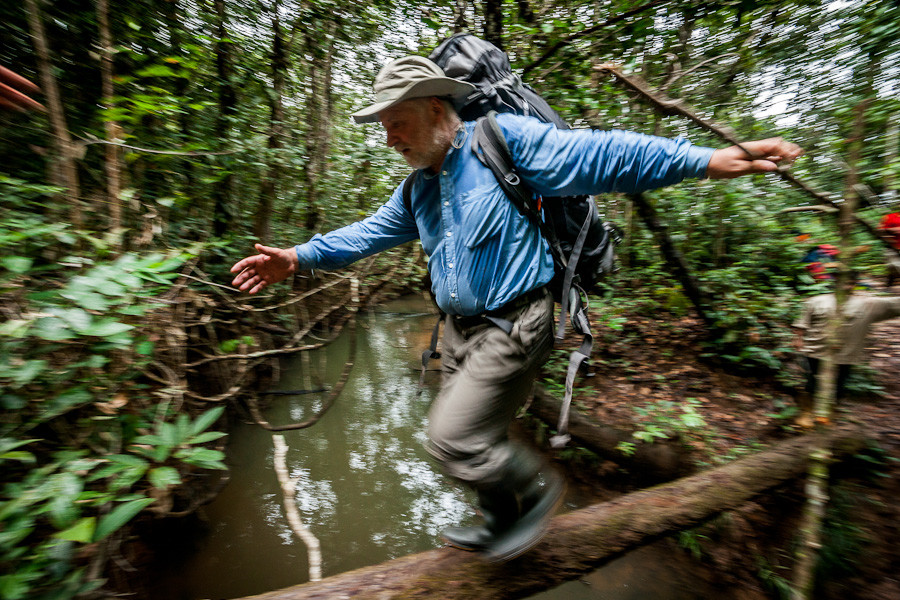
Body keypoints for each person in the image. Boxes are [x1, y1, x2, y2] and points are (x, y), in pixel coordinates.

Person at [230, 55, 804, 562]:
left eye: (395, 124)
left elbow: (603, 153)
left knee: (452, 439)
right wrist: (298, 258)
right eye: (384, 128)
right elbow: (369, 233)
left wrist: (706, 159)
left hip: (517, 323)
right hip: (458, 329)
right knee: (463, 436)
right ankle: (503, 518)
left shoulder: (503, 140)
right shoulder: (420, 187)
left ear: (434, 109)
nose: (389, 139)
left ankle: (533, 496)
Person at [792, 271, 900, 418]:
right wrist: (798, 339)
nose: (846, 285)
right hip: (816, 351)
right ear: (835, 282)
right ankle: (807, 413)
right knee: (814, 383)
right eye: (842, 281)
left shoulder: (868, 304)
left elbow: (894, 304)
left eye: (850, 282)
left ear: (854, 284)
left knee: (838, 386)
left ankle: (828, 414)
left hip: (846, 355)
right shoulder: (816, 301)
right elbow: (802, 323)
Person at [879, 212, 900, 287]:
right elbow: (880, 230)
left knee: (895, 266)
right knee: (894, 265)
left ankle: (891, 280)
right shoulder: (888, 217)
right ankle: (891, 280)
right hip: (892, 246)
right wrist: (893, 230)